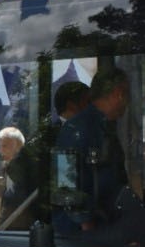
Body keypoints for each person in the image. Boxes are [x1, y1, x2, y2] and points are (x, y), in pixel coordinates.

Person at [54, 68, 137, 235]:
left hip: (106, 229)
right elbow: (66, 187)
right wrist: (89, 230)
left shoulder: (105, 127)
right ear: (118, 93)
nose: (128, 102)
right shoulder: (76, 129)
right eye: (127, 94)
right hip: (83, 239)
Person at [0, 126, 39, 230]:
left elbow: (16, 197)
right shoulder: (9, 165)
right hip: (12, 222)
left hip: (20, 224)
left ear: (17, 146)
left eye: (5, 146)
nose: (0, 151)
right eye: (0, 146)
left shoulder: (23, 166)